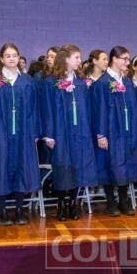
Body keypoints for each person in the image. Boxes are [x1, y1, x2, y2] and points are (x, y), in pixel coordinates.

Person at [0, 43, 41, 225]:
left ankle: (20, 209)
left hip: (23, 132)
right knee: (1, 169)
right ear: (2, 59)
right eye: (8, 55)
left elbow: (35, 108)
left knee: (22, 167)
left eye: (14, 55)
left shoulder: (28, 81)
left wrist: (35, 131)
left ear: (19, 58)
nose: (12, 58)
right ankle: (2, 211)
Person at [41, 44, 97, 221]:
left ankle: (73, 203)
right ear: (66, 59)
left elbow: (88, 109)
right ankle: (61, 203)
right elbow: (47, 109)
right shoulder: (51, 82)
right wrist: (49, 135)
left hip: (80, 132)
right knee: (63, 167)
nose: (80, 61)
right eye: (76, 57)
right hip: (61, 132)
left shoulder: (81, 83)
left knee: (78, 166)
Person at [91, 46, 137, 216]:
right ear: (114, 58)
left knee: (126, 164)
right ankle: (111, 201)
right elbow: (99, 110)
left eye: (128, 59)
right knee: (109, 164)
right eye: (124, 59)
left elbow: (134, 109)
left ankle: (123, 200)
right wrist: (101, 134)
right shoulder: (102, 83)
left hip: (127, 132)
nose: (127, 62)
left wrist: (135, 131)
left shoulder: (127, 82)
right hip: (111, 131)